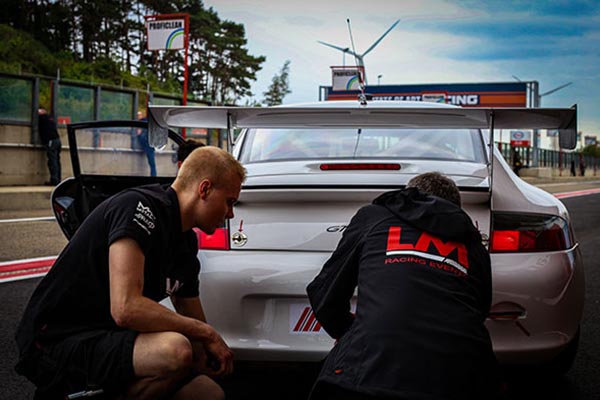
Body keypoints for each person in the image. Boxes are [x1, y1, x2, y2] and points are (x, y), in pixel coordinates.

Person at [15, 146, 245, 400]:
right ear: (204, 189)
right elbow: (126, 308)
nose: (230, 214)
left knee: (207, 393)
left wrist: (211, 352)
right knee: (176, 350)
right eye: (229, 202)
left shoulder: (186, 243)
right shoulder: (138, 208)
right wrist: (207, 334)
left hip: (108, 337)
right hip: (56, 341)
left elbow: (196, 324)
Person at [307, 172, 501, 400]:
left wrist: (360, 334)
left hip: (369, 375)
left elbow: (324, 295)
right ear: (453, 208)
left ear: (409, 195)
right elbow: (480, 309)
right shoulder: (473, 244)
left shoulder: (374, 218)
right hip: (461, 378)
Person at [38, 107, 62, 185]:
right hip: (57, 140)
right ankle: (58, 179)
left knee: (52, 161)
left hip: (51, 141)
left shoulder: (42, 118)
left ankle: (54, 180)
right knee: (56, 160)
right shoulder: (50, 118)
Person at [137, 110, 157, 177]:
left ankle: (153, 176)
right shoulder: (147, 122)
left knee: (152, 163)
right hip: (150, 146)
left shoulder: (141, 123)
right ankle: (153, 176)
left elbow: (140, 134)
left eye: (138, 115)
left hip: (147, 146)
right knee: (152, 164)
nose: (137, 117)